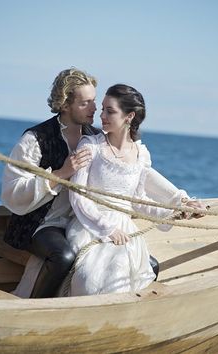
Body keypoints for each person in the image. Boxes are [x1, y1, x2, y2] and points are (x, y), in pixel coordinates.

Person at [61, 84, 205, 296]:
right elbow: (78, 197)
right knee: (89, 279)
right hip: (90, 226)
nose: (102, 115)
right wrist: (107, 229)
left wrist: (172, 213)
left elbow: (138, 202)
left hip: (126, 231)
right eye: (102, 109)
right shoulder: (90, 146)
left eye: (109, 111)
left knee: (122, 275)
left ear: (129, 116)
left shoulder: (141, 155)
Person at [1, 67, 100, 298]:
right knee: (64, 256)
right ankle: (36, 310)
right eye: (86, 102)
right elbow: (11, 193)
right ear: (65, 105)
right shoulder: (35, 139)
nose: (95, 108)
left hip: (82, 223)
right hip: (40, 223)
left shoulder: (96, 138)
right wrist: (61, 173)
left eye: (94, 101)